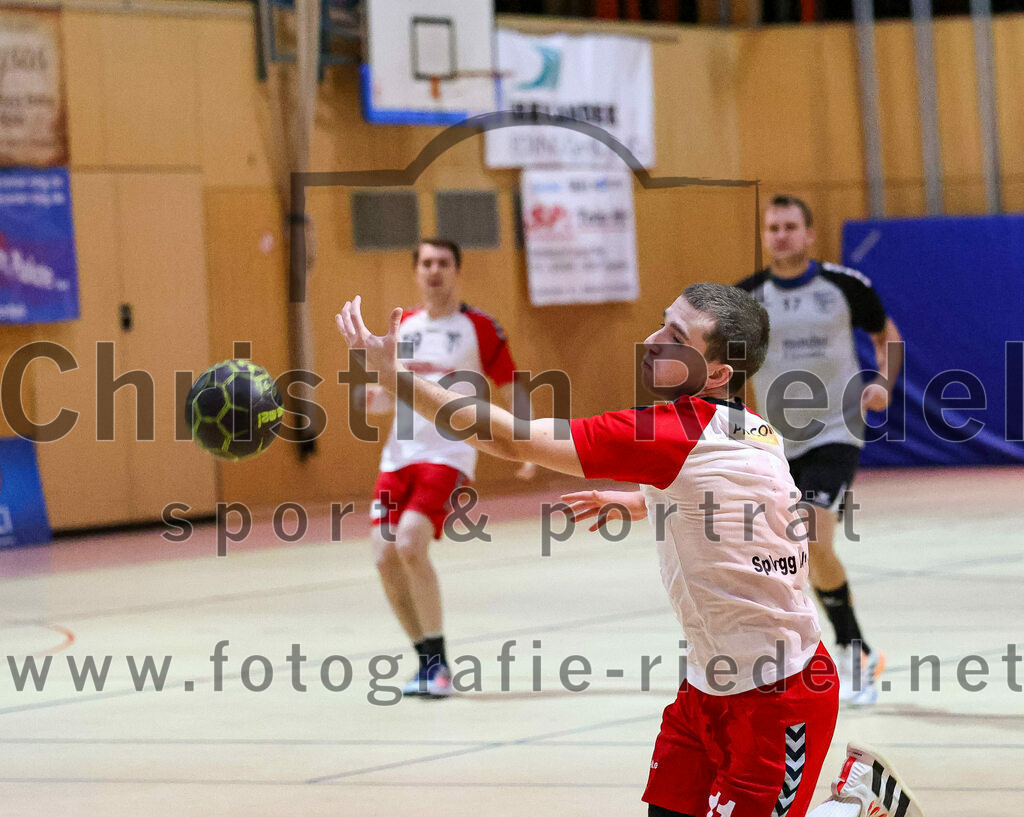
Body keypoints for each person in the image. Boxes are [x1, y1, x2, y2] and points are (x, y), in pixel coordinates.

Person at [336, 283, 922, 817]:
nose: (651, 340)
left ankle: (860, 805)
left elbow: (511, 438)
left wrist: (394, 378)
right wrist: (651, 501)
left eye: (675, 337)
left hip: (781, 699)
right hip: (707, 686)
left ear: (716, 371)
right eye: (661, 323)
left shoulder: (671, 433)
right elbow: (751, 495)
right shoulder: (750, 428)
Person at [736, 195, 903, 706]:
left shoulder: (845, 285)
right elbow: (730, 368)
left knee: (808, 536)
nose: (780, 235)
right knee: (787, 554)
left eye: (790, 226)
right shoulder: (744, 298)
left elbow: (886, 336)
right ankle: (841, 649)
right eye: (772, 227)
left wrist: (884, 384)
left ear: (810, 234)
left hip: (837, 426)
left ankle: (849, 654)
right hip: (775, 441)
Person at [354, 237, 536, 699]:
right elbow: (380, 395)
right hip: (399, 456)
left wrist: (527, 441)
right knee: (383, 555)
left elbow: (511, 381)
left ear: (457, 270)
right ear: (415, 271)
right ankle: (427, 662)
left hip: (450, 453)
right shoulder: (406, 325)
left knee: (410, 544)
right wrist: (375, 393)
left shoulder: (478, 327)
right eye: (426, 263)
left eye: (443, 263)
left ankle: (438, 668)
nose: (434, 270)